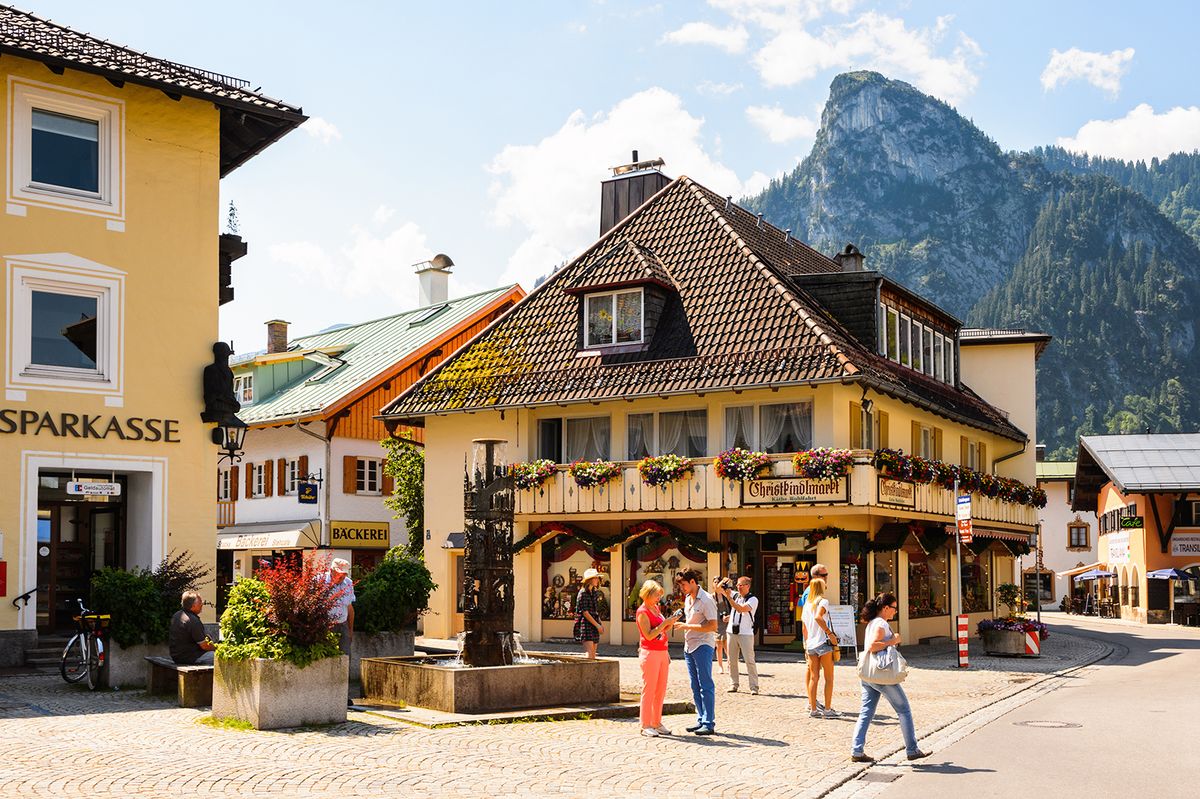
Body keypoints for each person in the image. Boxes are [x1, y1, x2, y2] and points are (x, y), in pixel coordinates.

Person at [851, 593, 931, 762]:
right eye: (894, 608)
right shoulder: (881, 624)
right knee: (904, 710)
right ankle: (912, 749)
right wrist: (893, 641)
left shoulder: (872, 623)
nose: (895, 611)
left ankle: (857, 751)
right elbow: (873, 646)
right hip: (882, 674)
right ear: (885, 608)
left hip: (868, 674)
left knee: (866, 712)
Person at [674, 569, 718, 735]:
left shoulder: (706, 600)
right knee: (695, 685)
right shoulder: (687, 599)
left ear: (693, 582)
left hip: (703, 645)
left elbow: (713, 626)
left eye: (684, 585)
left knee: (705, 685)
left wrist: (686, 626)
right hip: (689, 646)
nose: (682, 588)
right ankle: (701, 719)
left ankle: (708, 722)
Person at [635, 579, 677, 737]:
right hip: (650, 652)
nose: (659, 597)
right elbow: (648, 634)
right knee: (649, 689)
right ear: (648, 594)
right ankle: (645, 724)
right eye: (657, 594)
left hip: (662, 651)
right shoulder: (642, 611)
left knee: (660, 689)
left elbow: (661, 630)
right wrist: (663, 624)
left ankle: (656, 722)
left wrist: (669, 623)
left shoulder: (655, 608)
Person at [802, 577, 838, 718]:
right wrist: (829, 633)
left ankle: (813, 709)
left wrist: (806, 643)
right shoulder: (823, 602)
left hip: (811, 644)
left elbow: (804, 627)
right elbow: (819, 617)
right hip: (822, 642)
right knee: (829, 678)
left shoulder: (806, 605)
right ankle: (828, 709)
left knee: (814, 677)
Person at [718, 576, 759, 694]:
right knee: (731, 660)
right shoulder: (736, 596)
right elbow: (718, 589)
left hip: (745, 633)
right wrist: (724, 581)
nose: (738, 587)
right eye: (737, 585)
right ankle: (733, 684)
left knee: (749, 660)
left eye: (741, 585)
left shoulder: (753, 599)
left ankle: (754, 687)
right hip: (731, 632)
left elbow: (741, 609)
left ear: (748, 586)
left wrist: (730, 599)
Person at [326, 558, 356, 706]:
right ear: (332, 570)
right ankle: (327, 694)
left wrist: (350, 630)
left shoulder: (348, 583)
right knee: (326, 660)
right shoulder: (320, 581)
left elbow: (350, 608)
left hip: (342, 625)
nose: (342, 576)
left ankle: (344, 695)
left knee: (345, 660)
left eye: (344, 574)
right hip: (325, 627)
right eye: (339, 574)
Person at [801, 562, 830, 706]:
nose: (827, 578)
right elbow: (813, 618)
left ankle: (812, 702)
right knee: (815, 673)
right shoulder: (812, 594)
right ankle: (812, 701)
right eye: (824, 575)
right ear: (816, 577)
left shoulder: (810, 592)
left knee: (813, 672)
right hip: (817, 640)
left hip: (811, 640)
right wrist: (829, 633)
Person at [169, 591, 216, 665]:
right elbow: (204, 646)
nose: (202, 604)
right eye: (200, 603)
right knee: (221, 658)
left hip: (176, 656)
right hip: (191, 657)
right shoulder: (192, 620)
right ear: (193, 606)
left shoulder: (177, 615)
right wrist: (217, 648)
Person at [574, 568, 605, 659]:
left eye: (597, 578)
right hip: (586, 623)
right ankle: (587, 672)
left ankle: (593, 672)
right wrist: (597, 625)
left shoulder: (594, 592)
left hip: (594, 623)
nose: (597, 580)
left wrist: (599, 623)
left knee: (593, 654)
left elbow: (595, 611)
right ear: (589, 580)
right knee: (589, 653)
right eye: (595, 578)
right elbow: (585, 612)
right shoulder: (583, 593)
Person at [712, 577, 730, 673]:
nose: (716, 583)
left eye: (718, 582)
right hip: (717, 622)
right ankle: (720, 666)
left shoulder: (724, 595)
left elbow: (730, 608)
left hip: (726, 621)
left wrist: (728, 616)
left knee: (726, 644)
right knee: (718, 645)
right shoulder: (711, 596)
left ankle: (729, 664)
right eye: (714, 582)